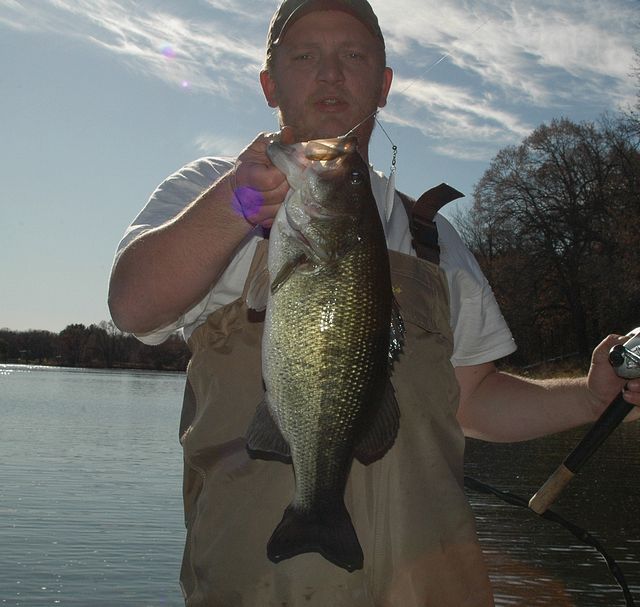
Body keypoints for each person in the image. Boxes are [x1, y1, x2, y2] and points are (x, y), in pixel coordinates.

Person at [108, 1, 640, 605]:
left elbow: (475, 401)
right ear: (269, 85)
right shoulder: (207, 192)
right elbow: (133, 307)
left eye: (354, 56)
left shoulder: (432, 241)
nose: (330, 73)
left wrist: (591, 397)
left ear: (382, 87)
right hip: (254, 587)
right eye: (304, 56)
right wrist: (236, 204)